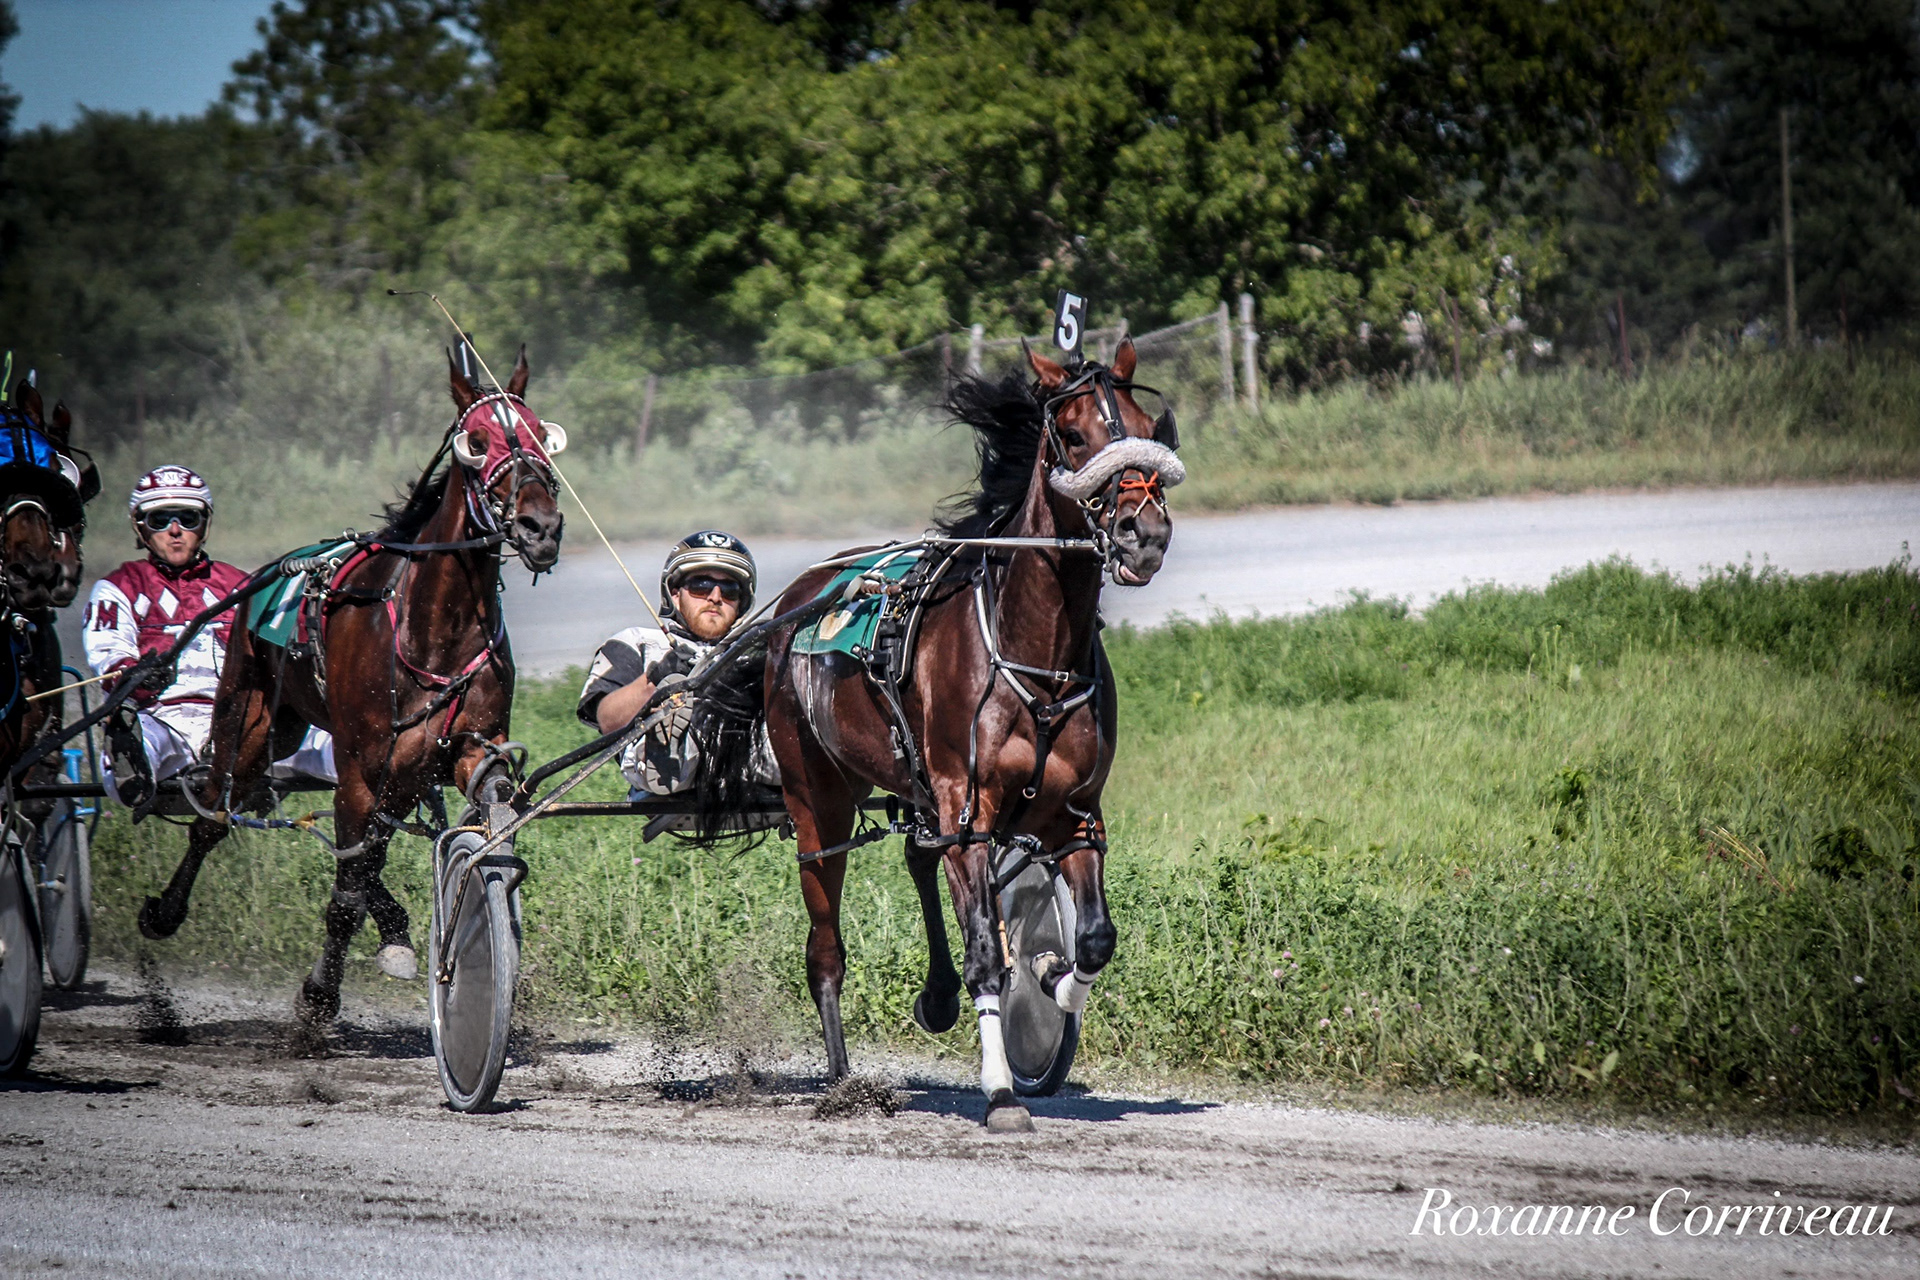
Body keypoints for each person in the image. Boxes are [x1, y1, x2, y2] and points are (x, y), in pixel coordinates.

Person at [85, 465, 334, 810]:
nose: (175, 531)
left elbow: (275, 652)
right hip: (161, 717)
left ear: (204, 524)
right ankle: (129, 761)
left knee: (333, 741)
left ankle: (389, 760)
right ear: (139, 526)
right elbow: (106, 654)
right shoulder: (118, 587)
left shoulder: (242, 585)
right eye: (160, 520)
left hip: (242, 721)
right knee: (137, 747)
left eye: (188, 518)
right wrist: (134, 673)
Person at [576, 530, 759, 796]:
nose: (715, 597)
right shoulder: (638, 641)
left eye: (729, 590)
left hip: (748, 759)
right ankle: (668, 742)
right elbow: (607, 719)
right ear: (675, 594)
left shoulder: (752, 652)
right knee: (674, 704)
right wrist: (656, 679)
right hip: (666, 769)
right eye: (701, 586)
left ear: (741, 602)